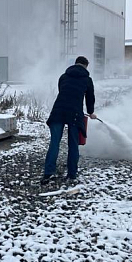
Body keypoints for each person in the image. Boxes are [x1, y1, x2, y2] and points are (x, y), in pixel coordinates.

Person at [41, 56, 96, 185]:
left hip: (58, 111)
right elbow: (90, 98)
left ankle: (48, 174)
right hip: (75, 113)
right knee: (73, 144)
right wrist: (91, 112)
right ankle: (71, 174)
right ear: (86, 66)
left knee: (54, 143)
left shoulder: (63, 77)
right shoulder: (87, 80)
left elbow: (63, 91)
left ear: (75, 64)